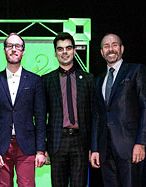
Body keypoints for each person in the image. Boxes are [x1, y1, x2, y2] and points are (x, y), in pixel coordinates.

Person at [90, 33, 146, 187]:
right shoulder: (98, 80)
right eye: (106, 46)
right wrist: (94, 148)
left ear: (122, 48)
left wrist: (141, 143)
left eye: (114, 45)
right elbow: (96, 116)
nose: (110, 49)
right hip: (105, 151)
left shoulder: (136, 70)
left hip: (130, 147)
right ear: (101, 52)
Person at [0, 33, 46, 187]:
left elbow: (40, 117)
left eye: (17, 46)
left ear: (23, 51)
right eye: (10, 46)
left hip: (27, 146)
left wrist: (40, 151)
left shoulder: (34, 80)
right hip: (1, 147)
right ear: (4, 50)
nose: (13, 49)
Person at [42, 32, 94, 187]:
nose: (64, 52)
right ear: (55, 53)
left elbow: (94, 116)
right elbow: (40, 116)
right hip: (57, 142)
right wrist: (43, 147)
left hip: (81, 142)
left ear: (74, 51)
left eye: (68, 48)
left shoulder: (88, 79)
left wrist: (93, 147)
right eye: (60, 49)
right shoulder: (46, 80)